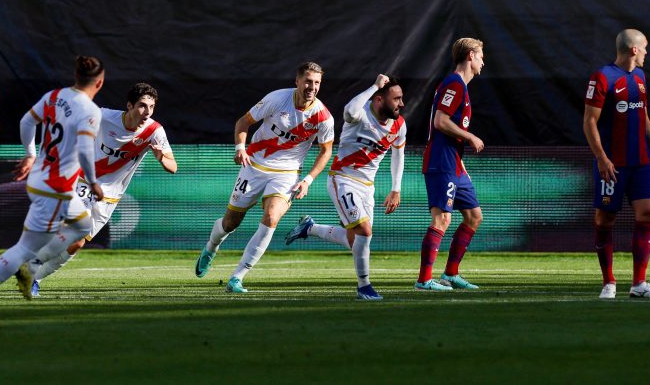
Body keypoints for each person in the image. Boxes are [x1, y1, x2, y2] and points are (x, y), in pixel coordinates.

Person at [0, 55, 104, 319]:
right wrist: (93, 182)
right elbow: (85, 149)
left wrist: (29, 154)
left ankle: (32, 266)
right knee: (25, 247)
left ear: (76, 75)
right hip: (55, 188)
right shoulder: (90, 110)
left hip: (42, 177)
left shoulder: (54, 96)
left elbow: (26, 122)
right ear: (100, 82)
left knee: (83, 226)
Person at [194, 62, 334, 293]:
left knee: (271, 217)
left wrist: (307, 180)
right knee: (231, 223)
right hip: (254, 165)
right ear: (297, 81)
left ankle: (237, 277)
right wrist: (240, 148)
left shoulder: (323, 118)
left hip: (287, 173)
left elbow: (326, 151)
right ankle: (211, 247)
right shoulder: (277, 99)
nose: (312, 87)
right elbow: (243, 122)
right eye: (308, 81)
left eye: (317, 83)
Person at [30, 82, 177, 296]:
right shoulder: (104, 117)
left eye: (151, 107)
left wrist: (161, 158)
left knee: (77, 244)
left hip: (110, 196)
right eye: (142, 106)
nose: (147, 112)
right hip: (83, 182)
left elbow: (173, 166)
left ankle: (35, 276)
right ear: (129, 105)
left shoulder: (155, 131)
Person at [285, 74, 405, 300]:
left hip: (367, 187)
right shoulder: (360, 114)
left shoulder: (399, 125)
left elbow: (399, 154)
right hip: (342, 179)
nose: (401, 103)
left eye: (401, 98)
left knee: (355, 241)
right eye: (396, 98)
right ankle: (364, 287)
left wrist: (396, 188)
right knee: (364, 231)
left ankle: (310, 228)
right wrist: (374, 86)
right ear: (379, 99)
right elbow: (349, 110)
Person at [583, 29, 650, 299]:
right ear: (634, 50)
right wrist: (602, 158)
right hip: (613, 163)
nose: (648, 53)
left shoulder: (639, 77)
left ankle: (639, 284)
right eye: (646, 48)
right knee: (605, 219)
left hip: (641, 161)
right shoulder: (602, 77)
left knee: (648, 213)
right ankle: (609, 282)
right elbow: (589, 121)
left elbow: (643, 115)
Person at [415, 37, 485, 292]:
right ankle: (424, 280)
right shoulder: (454, 84)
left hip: (454, 163)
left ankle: (451, 274)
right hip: (440, 161)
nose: (482, 61)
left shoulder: (461, 87)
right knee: (442, 219)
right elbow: (441, 122)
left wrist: (461, 160)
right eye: (480, 56)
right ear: (470, 56)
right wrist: (470, 137)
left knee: (473, 216)